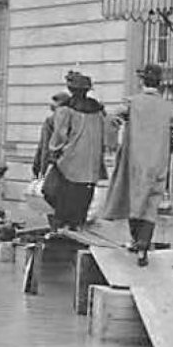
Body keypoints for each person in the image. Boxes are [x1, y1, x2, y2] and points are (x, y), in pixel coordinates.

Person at [102, 64, 173, 266]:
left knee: (134, 200)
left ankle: (135, 240)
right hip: (157, 162)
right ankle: (143, 246)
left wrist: (112, 143)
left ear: (142, 82)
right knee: (151, 204)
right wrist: (165, 148)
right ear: (160, 84)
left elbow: (112, 118)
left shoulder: (132, 103)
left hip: (134, 160)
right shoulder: (169, 108)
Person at [43, 71, 106, 230]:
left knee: (51, 193)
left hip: (69, 165)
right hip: (91, 168)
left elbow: (59, 137)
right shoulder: (98, 111)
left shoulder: (65, 110)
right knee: (80, 209)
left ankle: (61, 232)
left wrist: (54, 153)